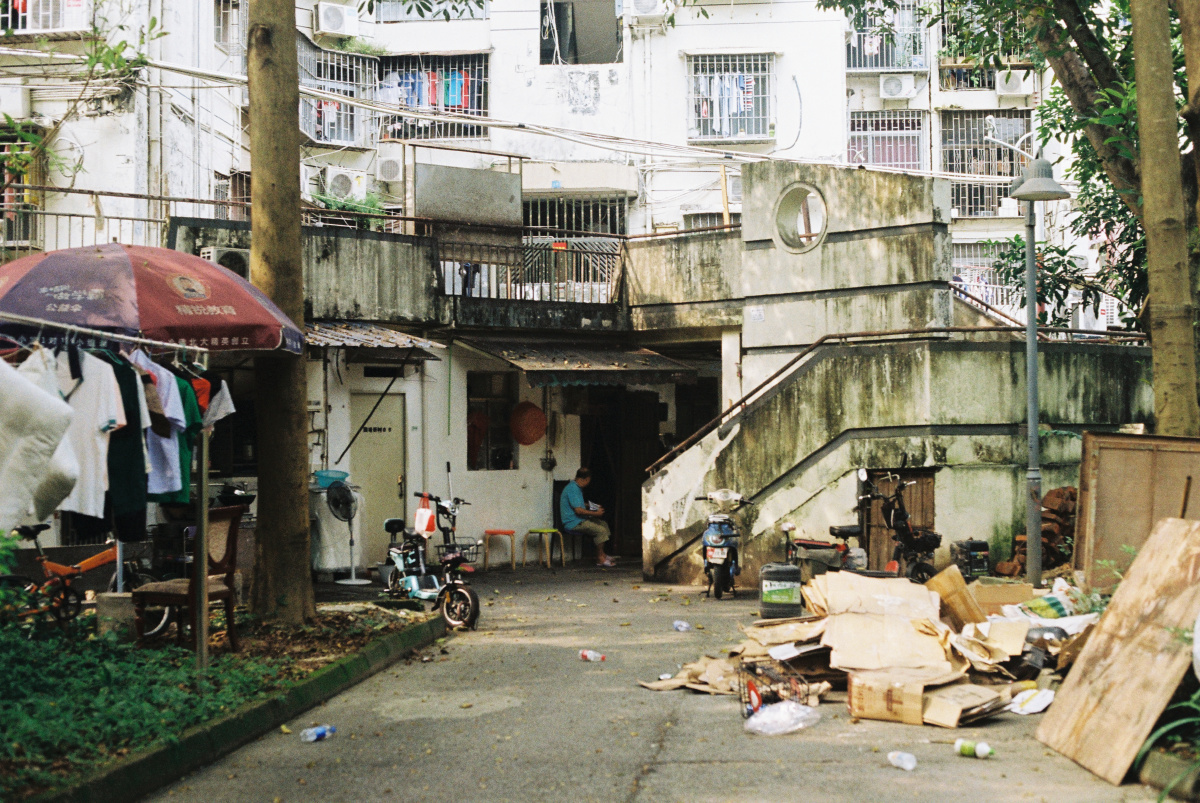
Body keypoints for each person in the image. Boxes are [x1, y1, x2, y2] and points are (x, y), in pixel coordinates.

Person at [561, 467, 614, 567]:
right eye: (588, 480)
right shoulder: (573, 489)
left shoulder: (576, 487)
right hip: (573, 522)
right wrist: (596, 514)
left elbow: (580, 504)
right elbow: (578, 510)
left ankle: (602, 553)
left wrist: (594, 506)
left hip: (579, 519)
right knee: (600, 530)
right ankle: (600, 559)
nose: (588, 483)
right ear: (584, 479)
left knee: (603, 524)